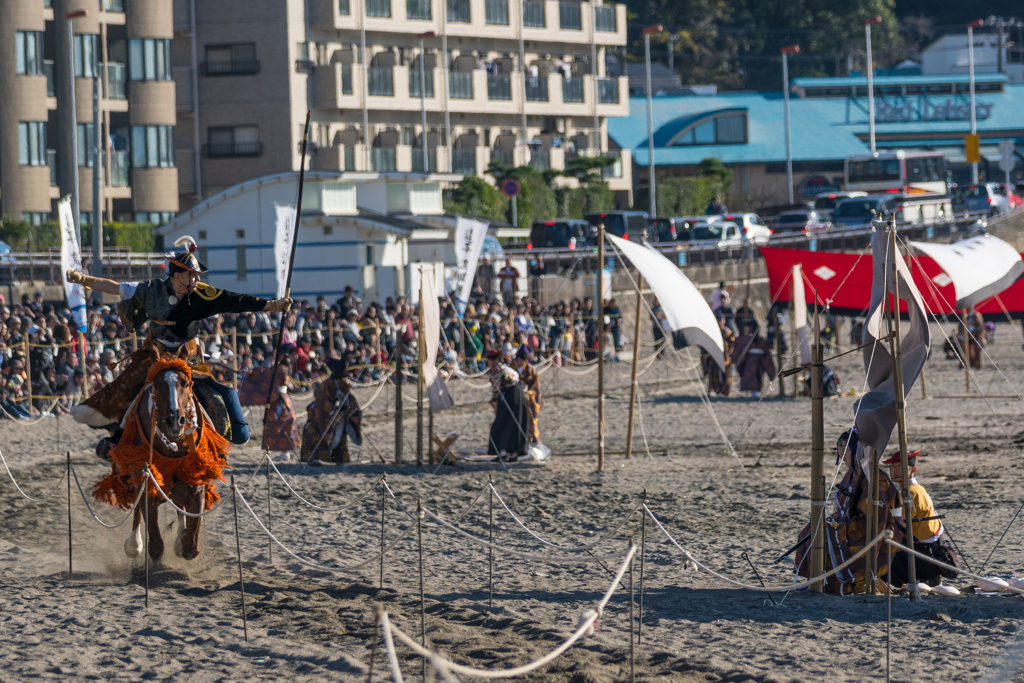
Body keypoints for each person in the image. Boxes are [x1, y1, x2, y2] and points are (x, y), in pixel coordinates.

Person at [64, 236, 292, 454]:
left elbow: (236, 300)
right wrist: (83, 280)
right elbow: (115, 287)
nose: (197, 280)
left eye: (197, 275)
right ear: (176, 276)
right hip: (154, 353)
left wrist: (272, 305)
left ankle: (217, 442)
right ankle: (119, 437)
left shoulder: (203, 294)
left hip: (188, 356)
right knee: (127, 386)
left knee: (217, 394)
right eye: (192, 275)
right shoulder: (150, 289)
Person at [883, 449, 958, 588]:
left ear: (913, 469)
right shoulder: (910, 490)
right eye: (893, 466)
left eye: (900, 466)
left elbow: (898, 526)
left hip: (925, 553)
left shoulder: (912, 493)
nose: (895, 470)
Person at [300, 358, 362, 465]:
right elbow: (321, 403)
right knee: (315, 433)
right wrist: (335, 409)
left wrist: (349, 409)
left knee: (340, 431)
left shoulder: (344, 385)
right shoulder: (324, 386)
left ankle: (339, 458)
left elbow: (350, 399)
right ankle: (313, 458)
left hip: (338, 417)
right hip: (320, 416)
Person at [487, 365, 529, 461]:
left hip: (510, 395)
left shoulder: (498, 369)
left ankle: (503, 453)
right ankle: (513, 453)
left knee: (503, 423)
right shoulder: (505, 368)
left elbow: (496, 386)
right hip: (518, 394)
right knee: (514, 423)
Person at [731, 320, 776, 398]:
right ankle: (747, 391)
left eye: (748, 327)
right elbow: (738, 350)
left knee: (756, 374)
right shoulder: (742, 339)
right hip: (745, 362)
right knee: (747, 373)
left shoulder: (760, 341)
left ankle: (755, 391)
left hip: (758, 363)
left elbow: (766, 353)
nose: (746, 328)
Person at [513, 346, 542, 443]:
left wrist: (528, 393)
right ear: (518, 359)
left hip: (529, 399)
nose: (524, 363)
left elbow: (535, 387)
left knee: (531, 421)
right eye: (523, 360)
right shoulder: (511, 368)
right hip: (514, 399)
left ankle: (533, 441)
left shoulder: (530, 369)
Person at [703, 315, 735, 397]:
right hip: (714, 356)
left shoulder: (727, 332)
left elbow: (732, 344)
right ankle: (712, 389)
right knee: (712, 371)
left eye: (722, 321)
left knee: (727, 374)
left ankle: (726, 391)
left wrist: (729, 353)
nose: (720, 323)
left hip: (725, 357)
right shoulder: (712, 332)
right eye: (718, 321)